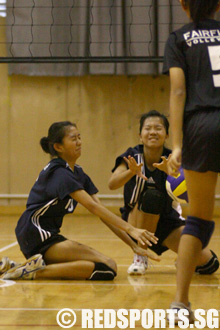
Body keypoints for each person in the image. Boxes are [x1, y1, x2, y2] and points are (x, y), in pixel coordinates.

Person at [0, 121, 159, 281]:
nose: (79, 142)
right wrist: (131, 228)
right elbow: (91, 207)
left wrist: (133, 246)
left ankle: (20, 267)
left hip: (45, 236)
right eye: (73, 139)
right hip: (36, 235)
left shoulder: (77, 172)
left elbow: (101, 211)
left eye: (79, 137)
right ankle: (31, 272)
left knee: (106, 268)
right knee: (108, 266)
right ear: (58, 147)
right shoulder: (60, 173)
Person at [108, 110, 219, 277]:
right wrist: (131, 172)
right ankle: (140, 256)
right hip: (136, 220)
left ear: (166, 134)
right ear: (140, 135)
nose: (153, 132)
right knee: (152, 197)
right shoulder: (132, 156)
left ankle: (181, 260)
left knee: (209, 264)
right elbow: (112, 184)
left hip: (167, 223)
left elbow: (191, 194)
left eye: (158, 128)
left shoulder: (173, 159)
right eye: (148, 128)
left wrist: (173, 174)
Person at [163, 0, 220, 322]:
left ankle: (180, 304)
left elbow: (178, 92)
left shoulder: (179, 38)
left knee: (197, 220)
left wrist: (177, 144)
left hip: (201, 126)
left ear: (183, 5)